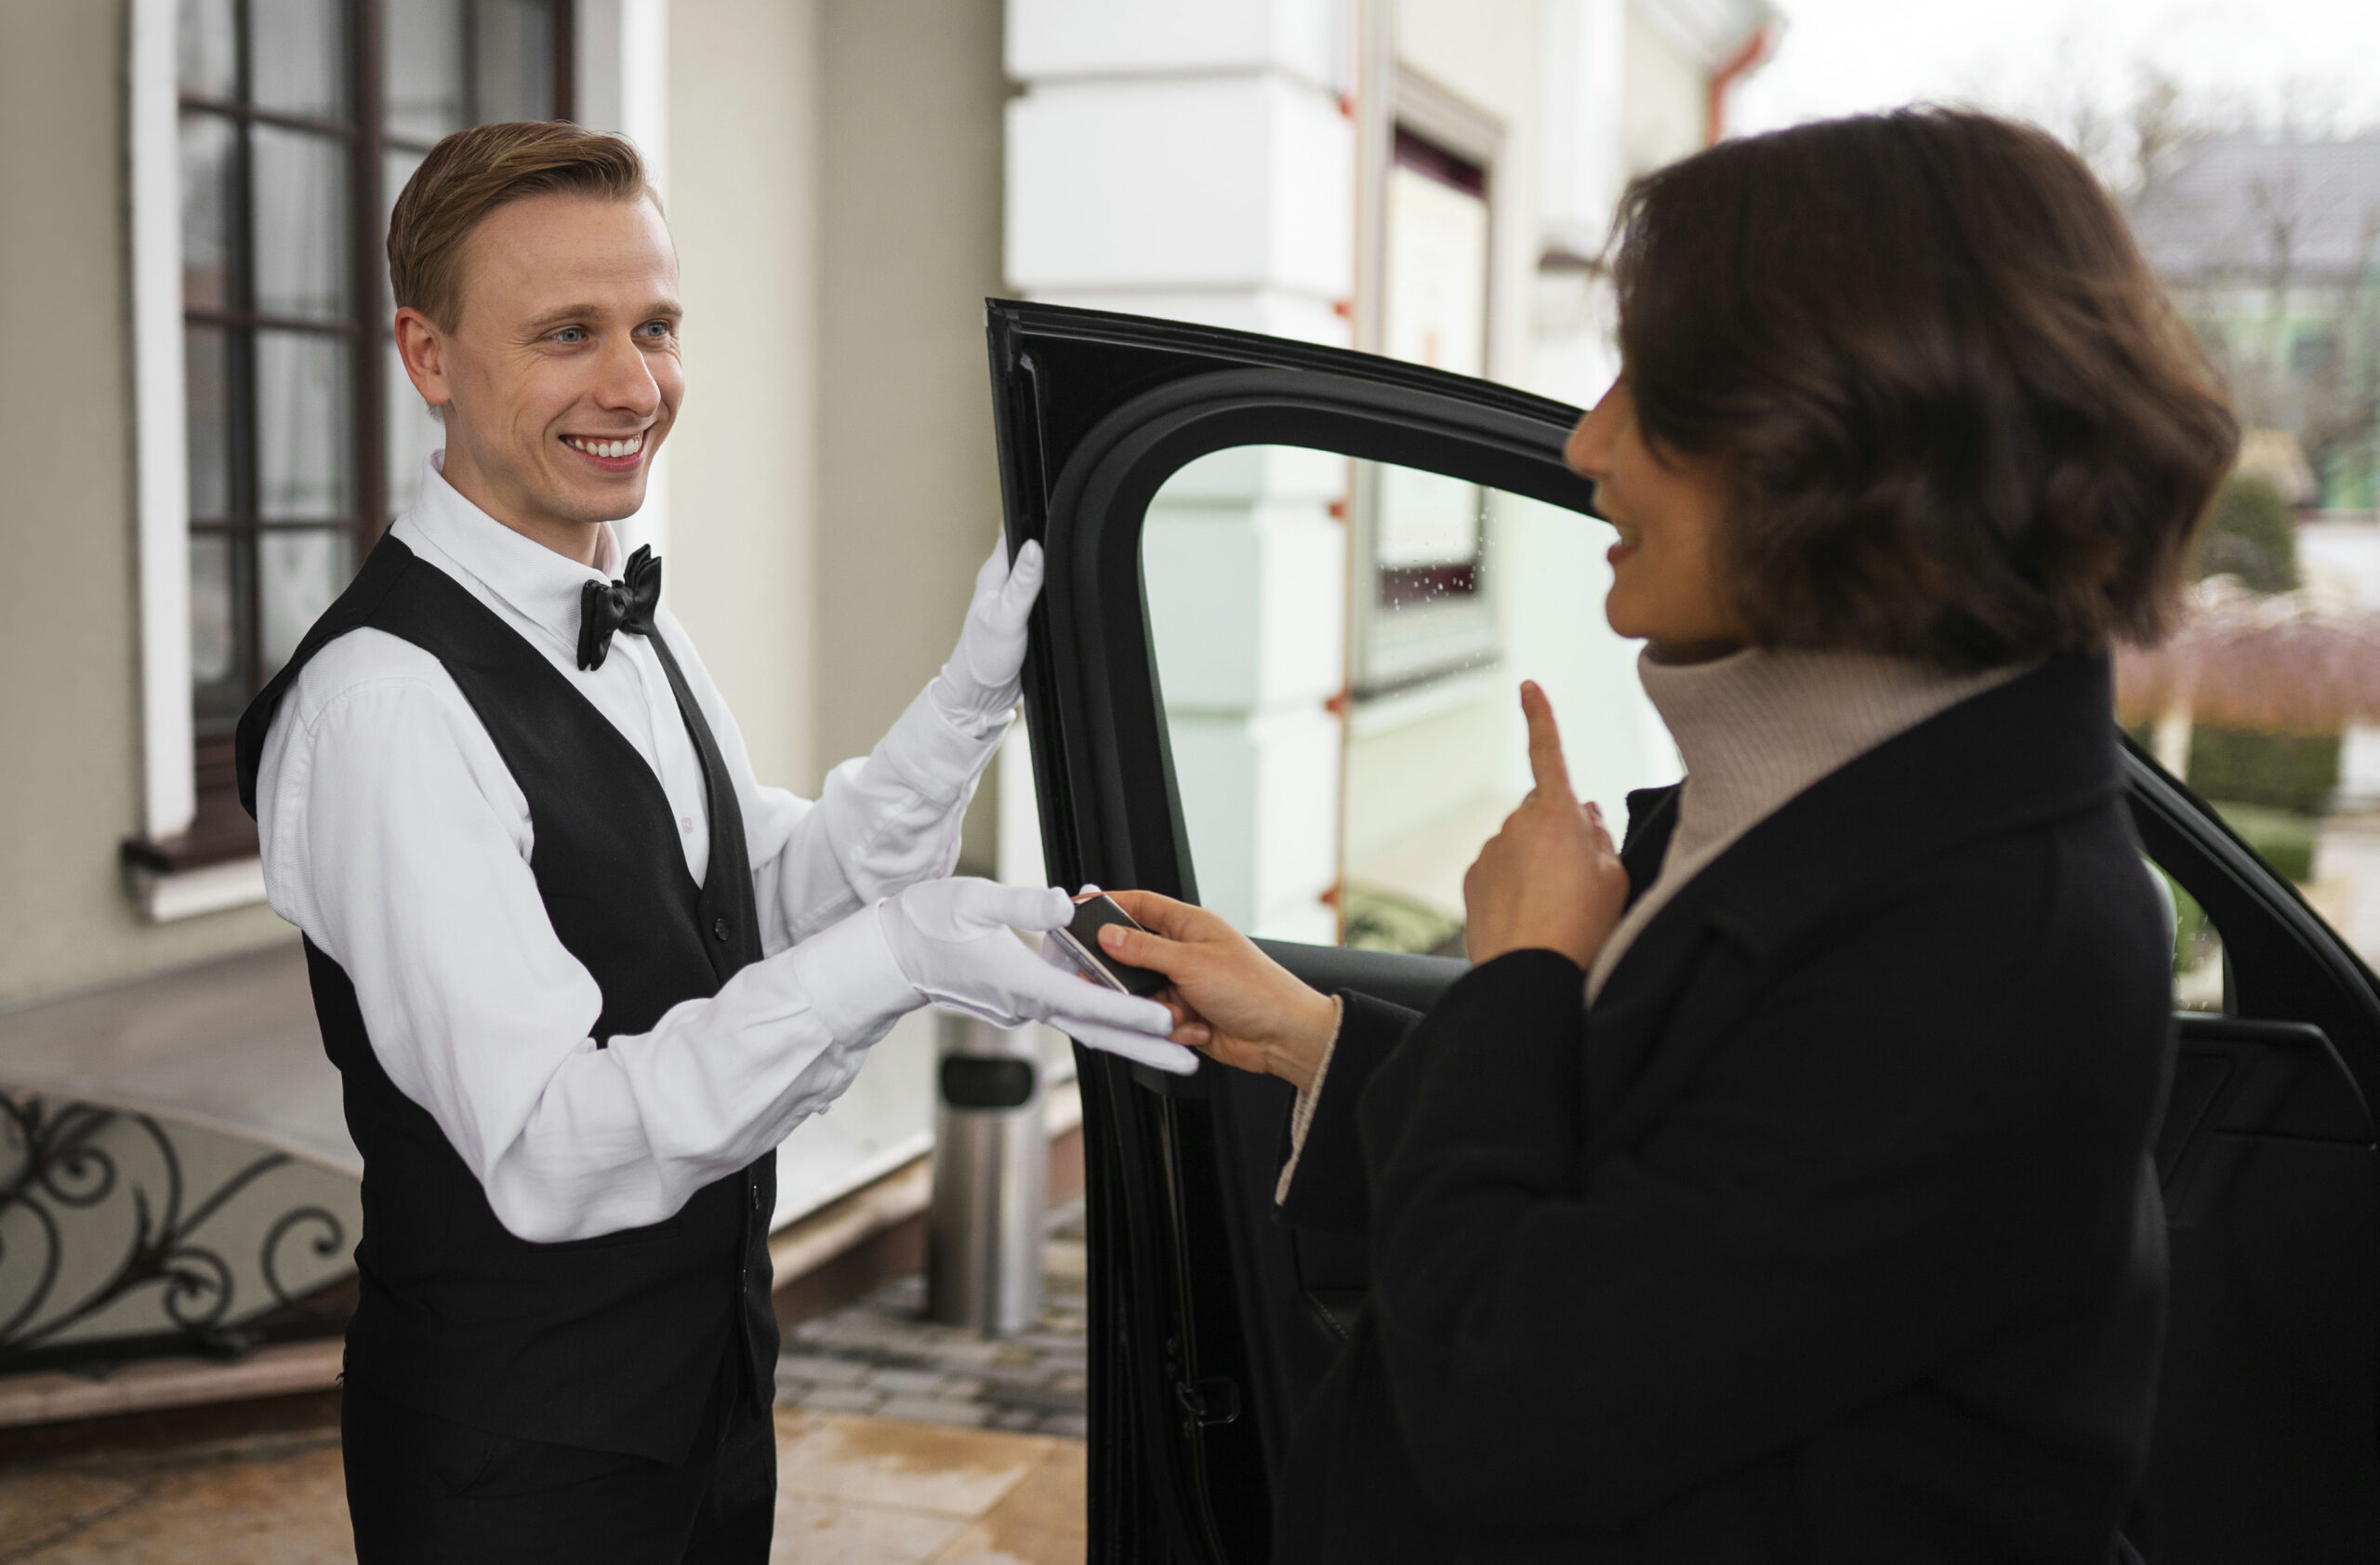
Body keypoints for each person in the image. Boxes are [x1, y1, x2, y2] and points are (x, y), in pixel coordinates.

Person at [1096, 109, 2237, 1562]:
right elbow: (1671, 1206)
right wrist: (1326, 1043)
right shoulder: (1816, 795)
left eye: (1655, 391)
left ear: (1854, 436)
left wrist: (1521, 976)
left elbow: (1516, 1395)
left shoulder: (1988, 936)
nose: (1588, 444)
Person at [231, 120, 1182, 1565]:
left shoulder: (620, 606)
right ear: (428, 356)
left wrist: (978, 689)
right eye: (568, 334)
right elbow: (552, 1149)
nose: (634, 386)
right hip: (518, 1471)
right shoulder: (384, 708)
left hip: (707, 1401)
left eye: (656, 326)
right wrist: (897, 960)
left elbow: (767, 905)